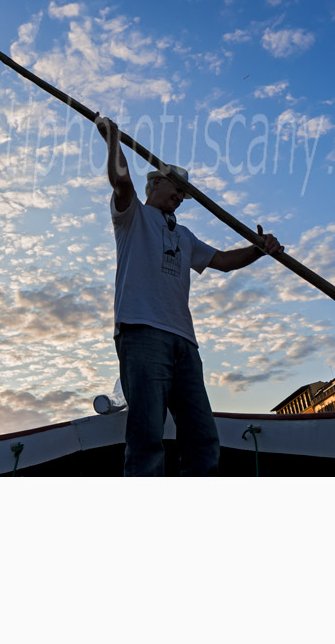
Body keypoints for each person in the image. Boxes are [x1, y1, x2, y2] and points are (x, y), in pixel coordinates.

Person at [96, 116, 284, 477]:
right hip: (142, 332)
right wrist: (114, 141)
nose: (181, 197)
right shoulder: (132, 217)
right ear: (154, 183)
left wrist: (259, 249)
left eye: (184, 194)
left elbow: (225, 262)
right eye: (177, 189)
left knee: (202, 439)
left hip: (185, 341)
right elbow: (121, 182)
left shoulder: (185, 235)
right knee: (147, 437)